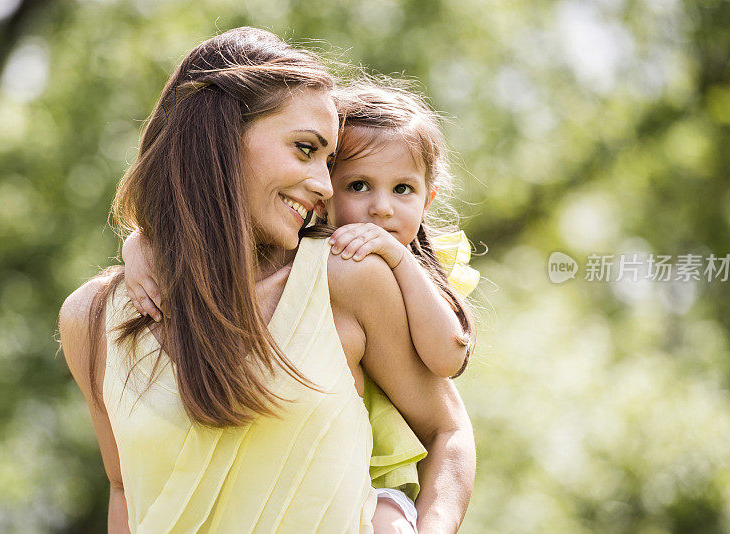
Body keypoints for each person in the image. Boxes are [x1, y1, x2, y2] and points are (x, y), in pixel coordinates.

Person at [58, 27, 475, 533]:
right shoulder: (92, 318)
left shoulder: (345, 278)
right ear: (218, 138)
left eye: (330, 160)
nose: (325, 186)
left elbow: (446, 430)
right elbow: (124, 488)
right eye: (305, 149)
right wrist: (142, 242)